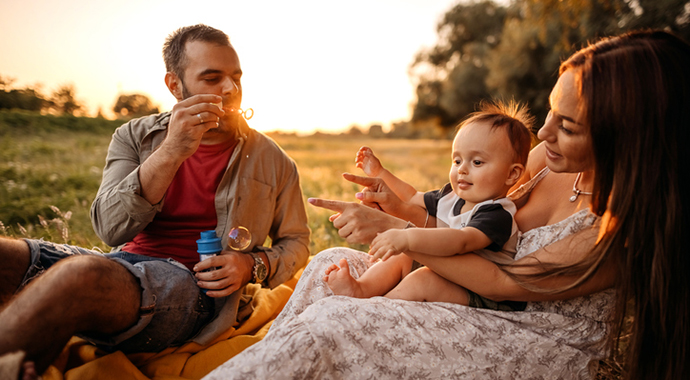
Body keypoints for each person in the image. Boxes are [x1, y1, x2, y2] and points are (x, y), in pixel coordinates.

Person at [202, 30, 690, 380]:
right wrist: (396, 210)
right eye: (550, 115)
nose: (542, 134)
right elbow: (462, 216)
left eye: (568, 126)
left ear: (629, 137)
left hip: (537, 336)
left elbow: (504, 282)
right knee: (332, 262)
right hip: (473, 289)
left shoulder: (621, 227)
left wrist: (394, 231)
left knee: (340, 323)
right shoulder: (546, 160)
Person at [0, 24, 310, 379]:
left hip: (198, 294)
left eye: (235, 78)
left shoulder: (275, 160)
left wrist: (253, 265)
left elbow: (297, 241)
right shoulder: (133, 136)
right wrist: (172, 150)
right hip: (121, 267)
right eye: (212, 78)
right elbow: (110, 229)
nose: (230, 89)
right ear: (175, 85)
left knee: (80, 274)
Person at [324, 101, 533, 310]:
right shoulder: (451, 197)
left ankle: (379, 310)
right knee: (405, 255)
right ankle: (360, 289)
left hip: (484, 295)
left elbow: (462, 241)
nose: (462, 170)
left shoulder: (497, 213)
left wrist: (406, 236)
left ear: (511, 174)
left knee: (423, 278)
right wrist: (380, 174)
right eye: (457, 161)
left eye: (477, 162)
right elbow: (411, 195)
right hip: (450, 274)